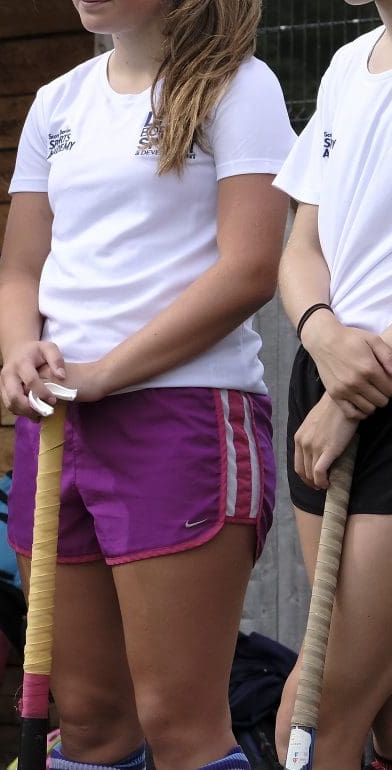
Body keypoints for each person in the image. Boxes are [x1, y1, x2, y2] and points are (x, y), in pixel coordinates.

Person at [0, 0, 291, 766]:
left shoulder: (239, 85)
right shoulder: (57, 101)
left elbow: (252, 266)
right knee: (89, 720)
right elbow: (20, 270)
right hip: (56, 425)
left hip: (183, 414)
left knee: (178, 721)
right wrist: (21, 349)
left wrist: (105, 374)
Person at [272, 0, 392, 763]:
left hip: (366, 390)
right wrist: (321, 335)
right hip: (327, 378)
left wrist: (355, 387)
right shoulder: (351, 63)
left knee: (312, 723)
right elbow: (304, 242)